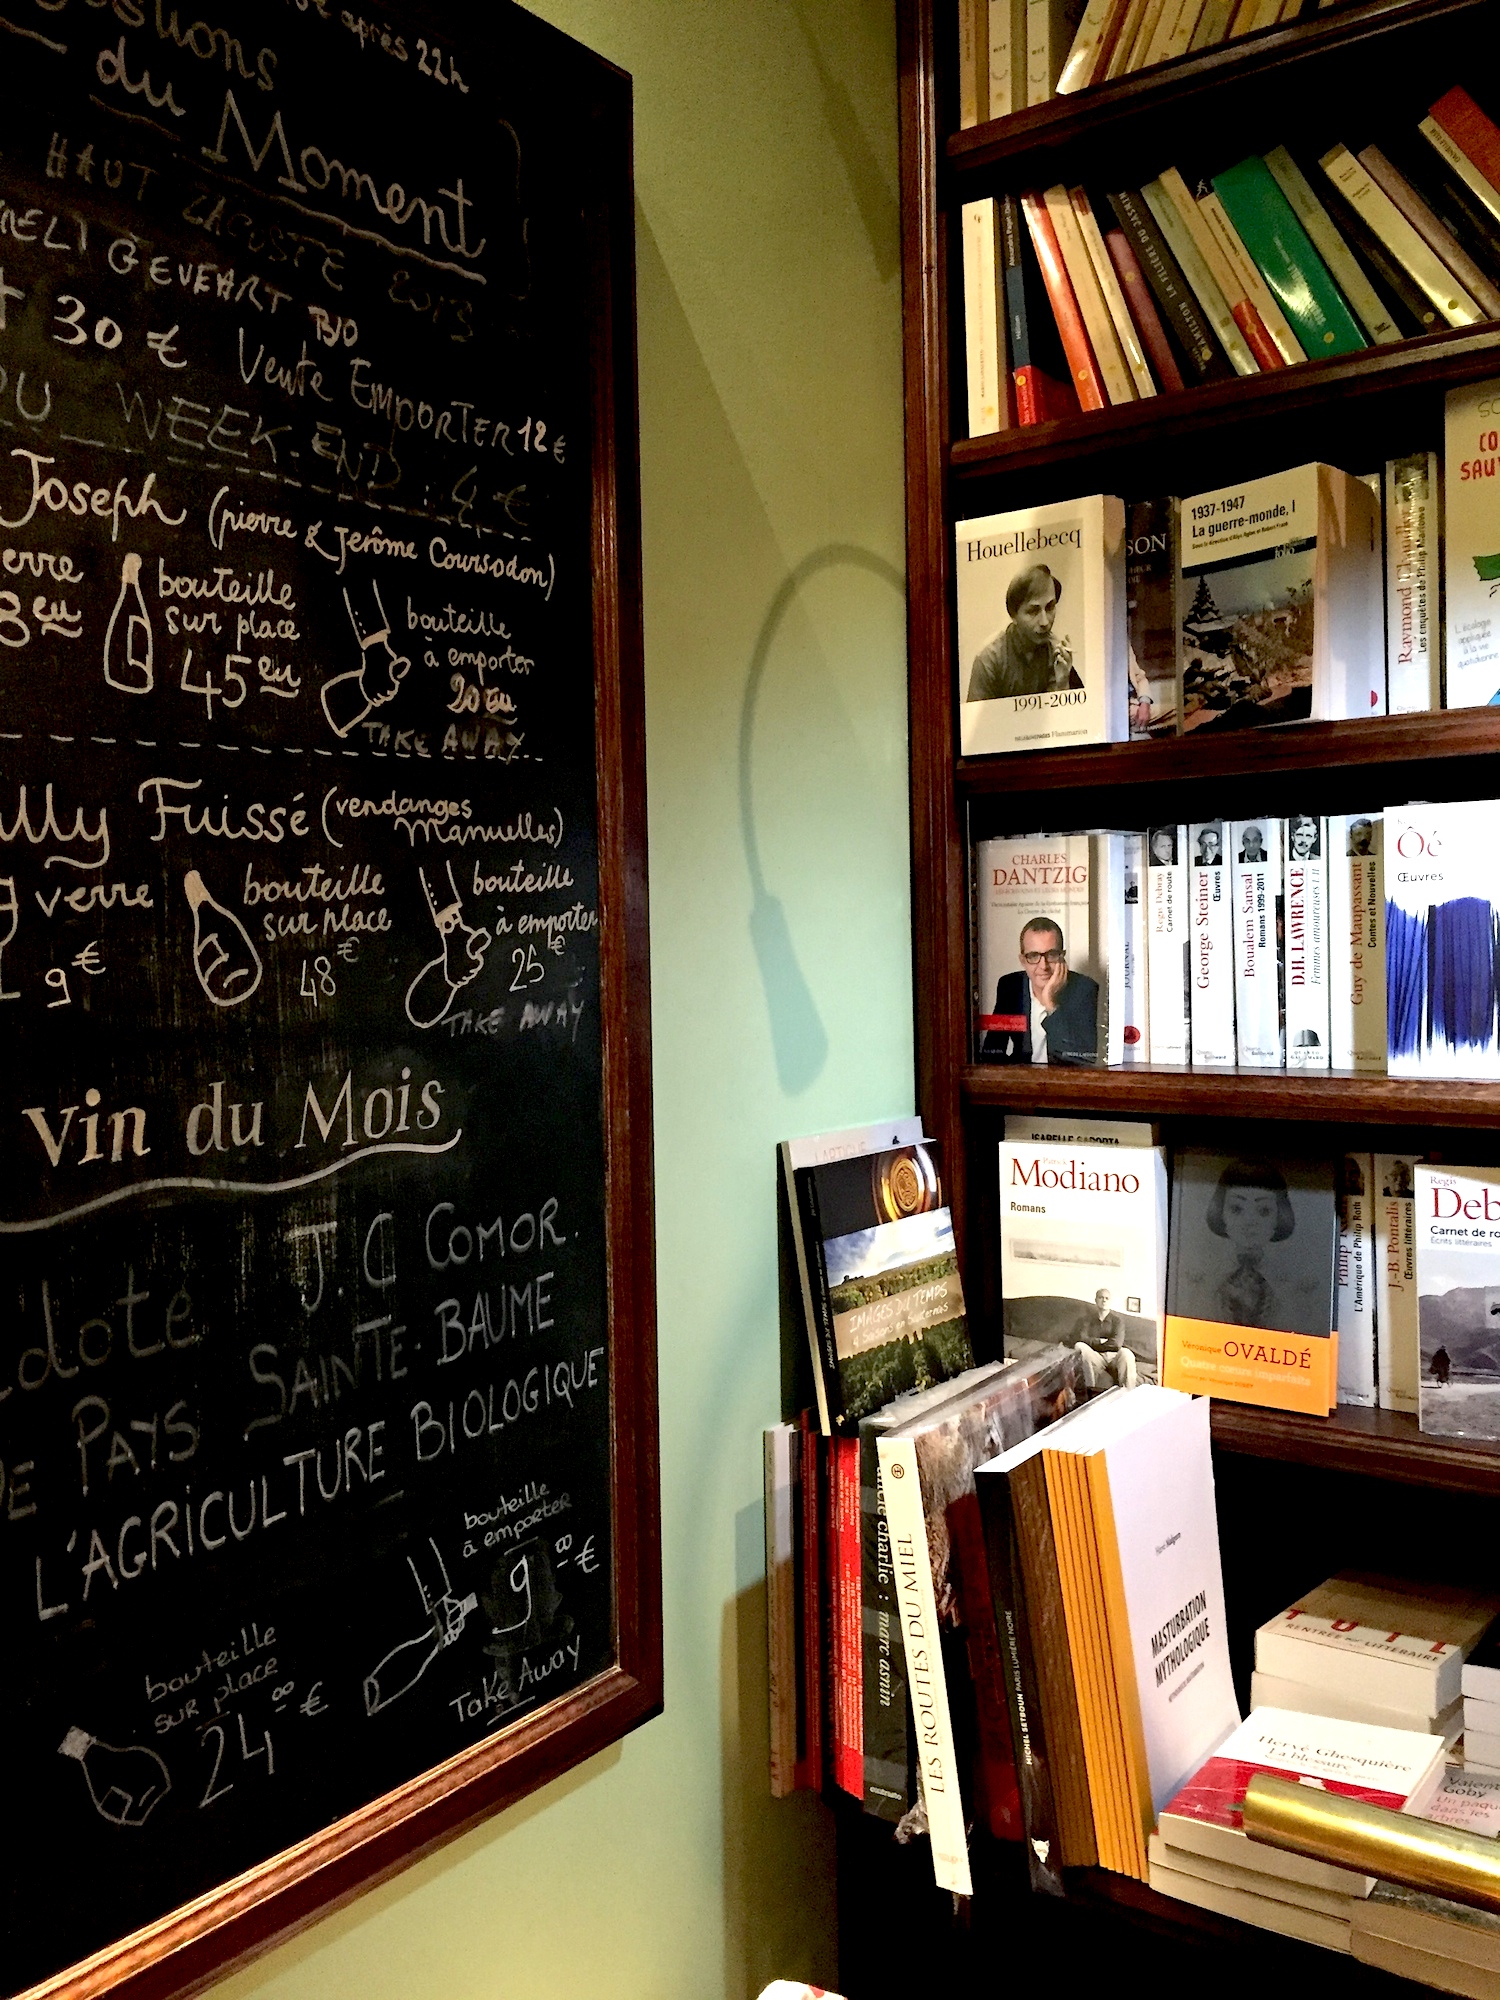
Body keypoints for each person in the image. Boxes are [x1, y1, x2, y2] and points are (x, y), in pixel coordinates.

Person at [983, 917, 1099, 1064]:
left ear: (1062, 957)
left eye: (1051, 955)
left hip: (1066, 1083)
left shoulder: (1085, 989)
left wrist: (1050, 1003)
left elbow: (1084, 1059)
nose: (1043, 966)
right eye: (1033, 956)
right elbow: (991, 1052)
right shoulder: (1010, 987)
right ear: (1022, 960)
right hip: (1024, 1081)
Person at [966, 564, 1082, 702]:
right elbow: (978, 722)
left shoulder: (1057, 655)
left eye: (1050, 607)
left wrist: (1063, 683)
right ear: (1013, 614)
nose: (1045, 622)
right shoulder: (989, 659)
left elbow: (1067, 720)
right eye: (1033, 611)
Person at [1205, 1159, 1296, 1329]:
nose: (1249, 1222)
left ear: (1278, 1217)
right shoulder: (1202, 1280)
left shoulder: (1294, 1286)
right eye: (1236, 1209)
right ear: (1221, 1213)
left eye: (1264, 1211)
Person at [1075, 1287, 1138, 1391]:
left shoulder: (1117, 1321)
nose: (1104, 1300)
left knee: (1127, 1353)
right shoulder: (1087, 1320)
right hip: (1095, 1356)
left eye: (1107, 1298)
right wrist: (1100, 1341)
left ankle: (1128, 1393)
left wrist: (1093, 1341)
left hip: (1114, 1356)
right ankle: (1090, 1391)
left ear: (1110, 1301)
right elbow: (1082, 1338)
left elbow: (1117, 1344)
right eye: (1101, 1297)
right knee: (1079, 1346)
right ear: (1096, 1300)